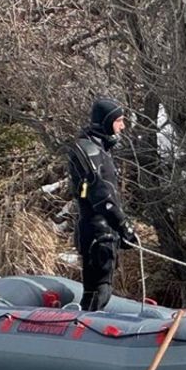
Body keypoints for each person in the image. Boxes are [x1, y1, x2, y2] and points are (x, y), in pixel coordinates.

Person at [67, 98, 139, 311]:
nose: (122, 126)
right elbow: (101, 196)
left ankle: (84, 322)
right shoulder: (89, 150)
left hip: (104, 231)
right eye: (119, 121)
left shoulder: (100, 148)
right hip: (97, 232)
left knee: (99, 289)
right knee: (100, 290)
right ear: (107, 121)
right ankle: (81, 327)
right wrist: (123, 226)